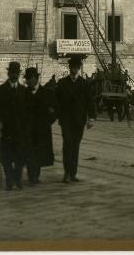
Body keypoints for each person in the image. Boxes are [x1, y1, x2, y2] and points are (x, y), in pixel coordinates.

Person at [0, 61, 32, 190]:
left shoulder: (24, 91)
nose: (14, 75)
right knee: (6, 157)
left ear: (19, 74)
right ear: (8, 73)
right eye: (12, 72)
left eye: (16, 73)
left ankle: (18, 178)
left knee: (20, 156)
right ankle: (9, 179)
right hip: (5, 129)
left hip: (20, 130)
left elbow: (29, 111)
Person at [56, 55, 96, 184]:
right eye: (72, 67)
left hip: (79, 120)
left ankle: (73, 173)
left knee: (75, 146)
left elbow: (90, 101)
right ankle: (67, 173)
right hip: (66, 120)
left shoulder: (84, 84)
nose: (74, 69)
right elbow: (57, 102)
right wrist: (57, 115)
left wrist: (92, 118)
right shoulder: (62, 83)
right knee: (68, 144)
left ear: (79, 68)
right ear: (69, 68)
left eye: (76, 67)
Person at [24, 67, 57, 185]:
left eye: (31, 79)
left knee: (39, 153)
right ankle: (31, 176)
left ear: (36, 79)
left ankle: (35, 175)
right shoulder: (23, 93)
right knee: (29, 152)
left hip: (42, 129)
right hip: (27, 130)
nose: (29, 81)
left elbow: (54, 111)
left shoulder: (47, 93)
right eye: (28, 79)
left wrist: (47, 122)